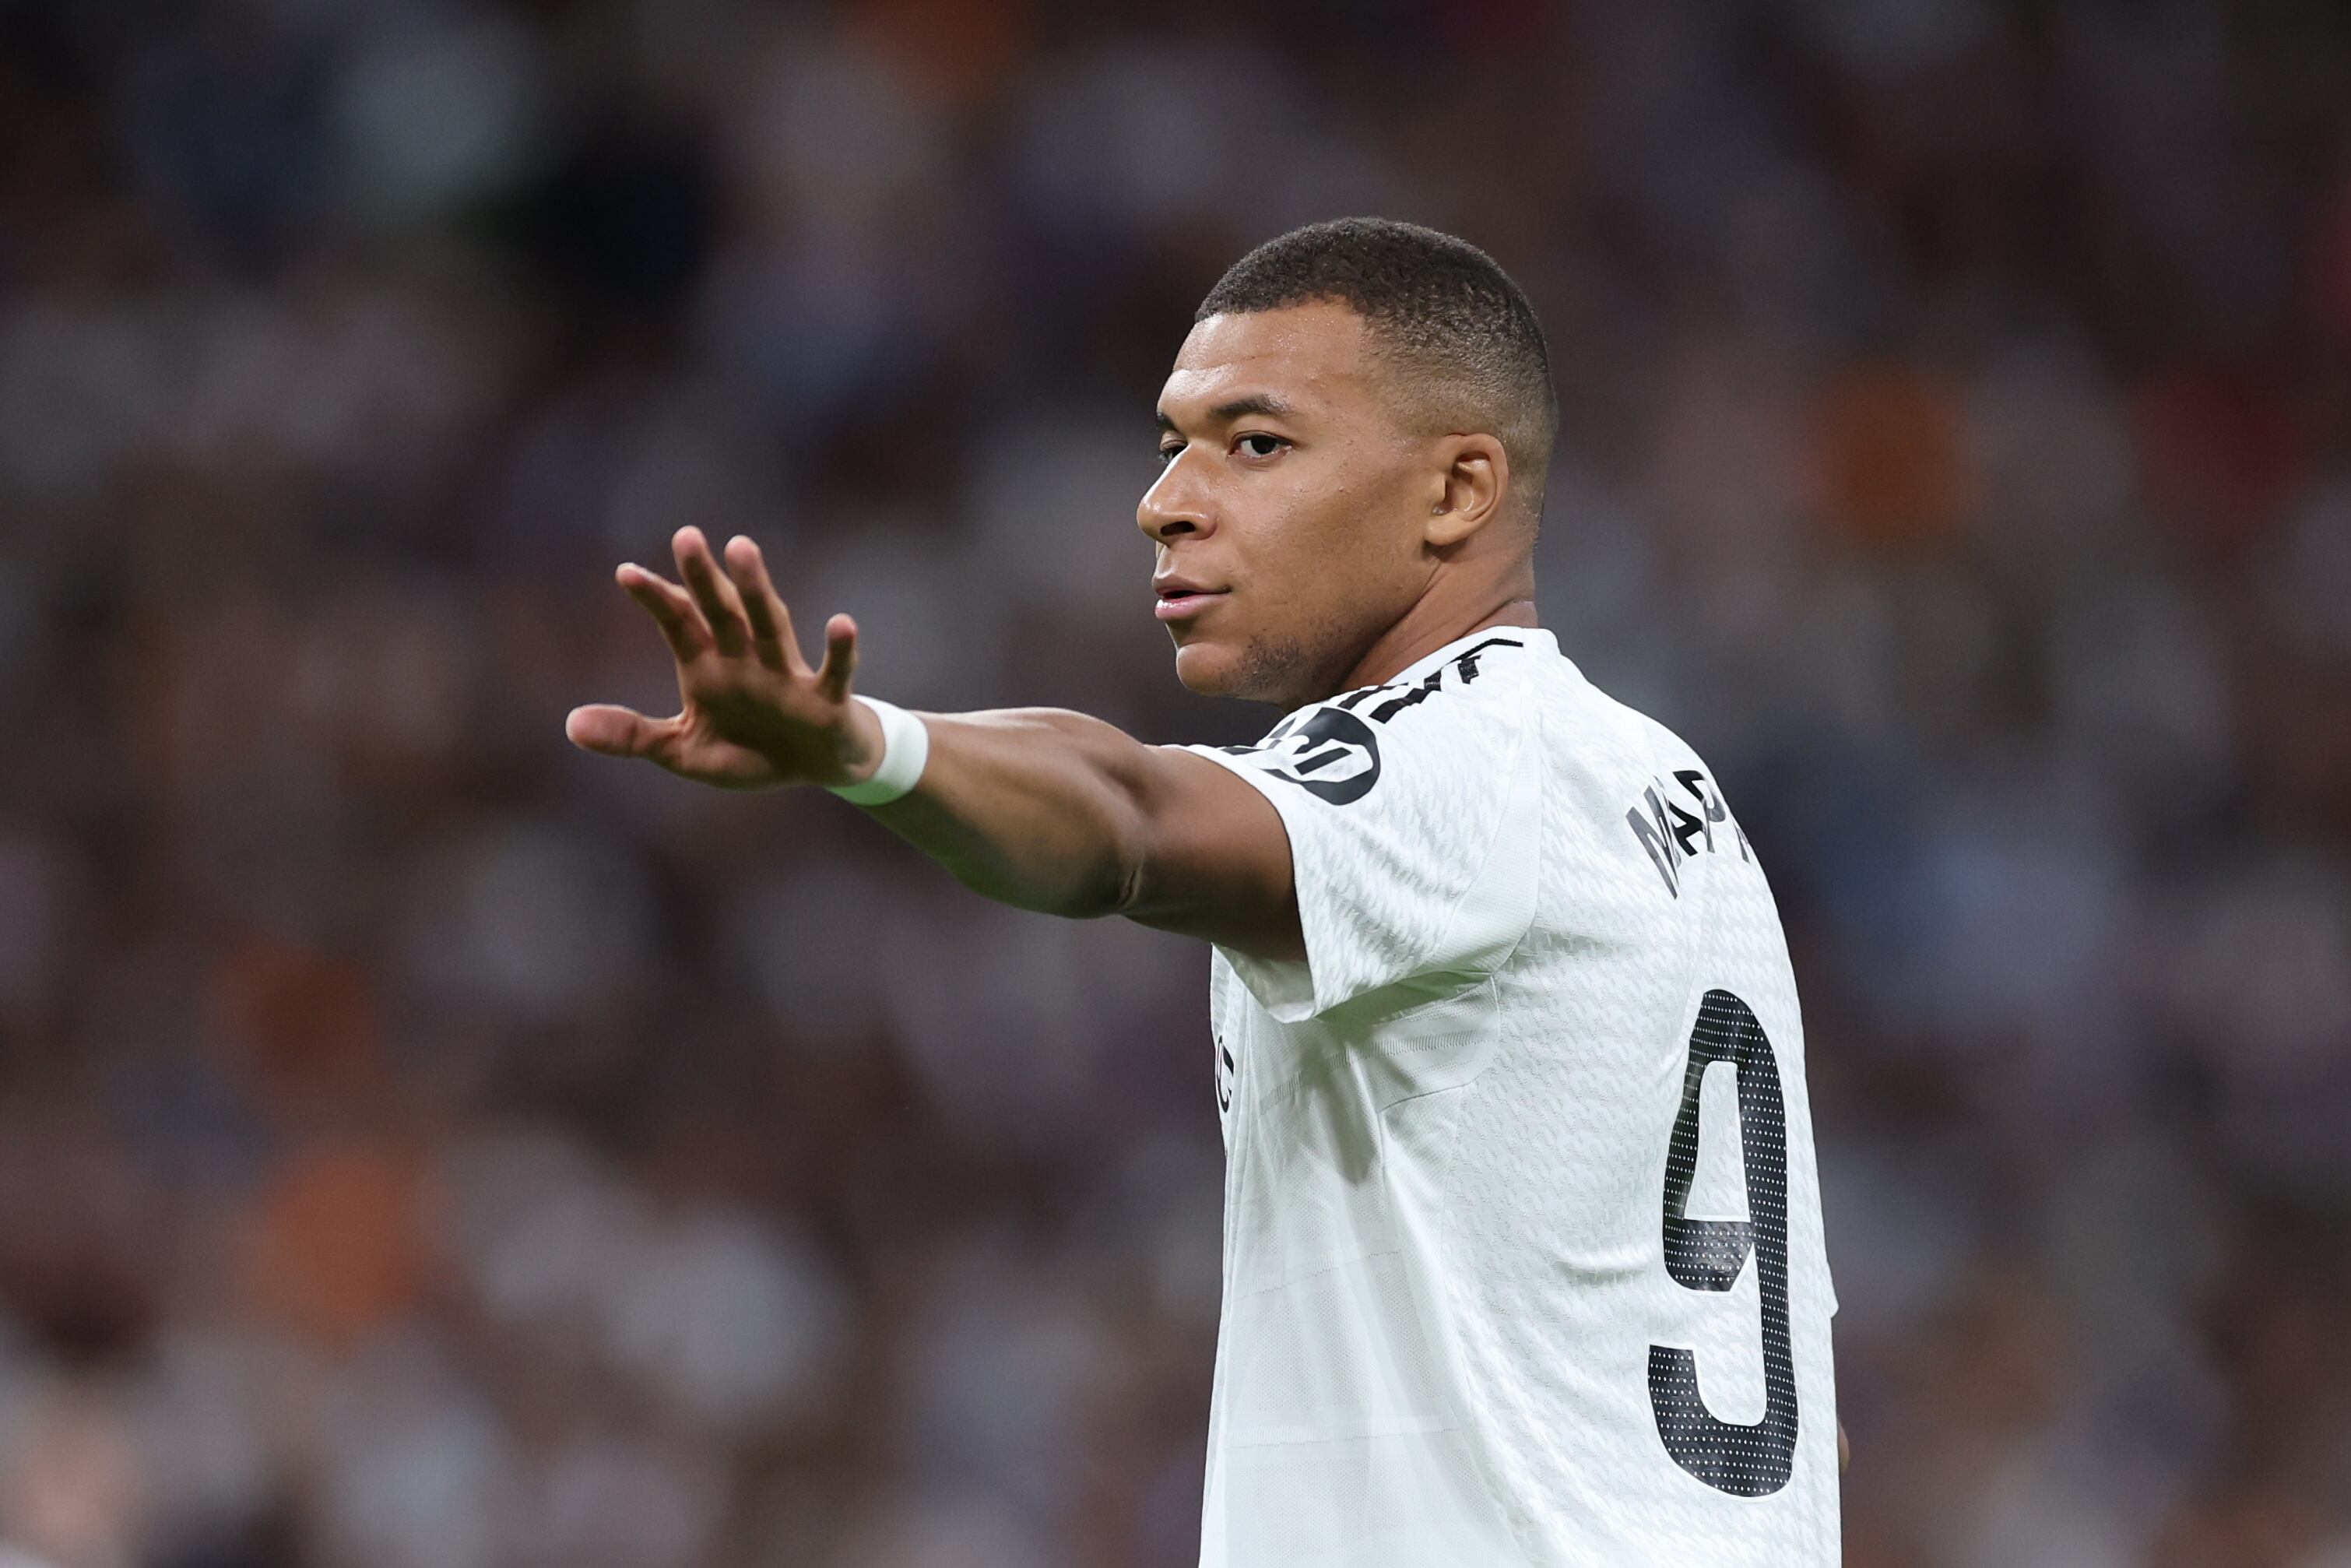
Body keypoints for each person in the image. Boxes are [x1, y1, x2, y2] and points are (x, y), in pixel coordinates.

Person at [567, 217, 1841, 1566]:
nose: (1167, 499)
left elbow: (1126, 817)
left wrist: (866, 747)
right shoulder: (1654, 791)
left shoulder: (1472, 759)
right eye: (1171, 440)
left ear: (1458, 490)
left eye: (1257, 443)